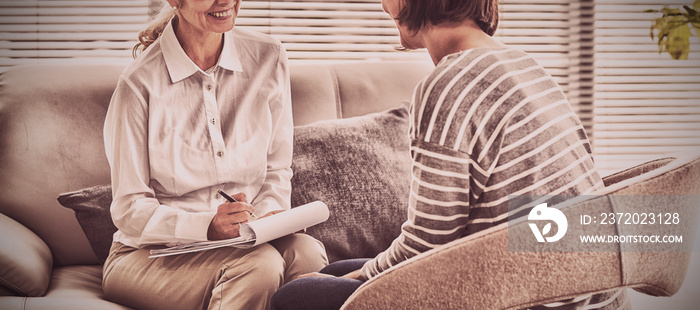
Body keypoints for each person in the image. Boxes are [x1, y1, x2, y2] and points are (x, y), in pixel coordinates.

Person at [270, 0, 629, 309]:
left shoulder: (447, 86)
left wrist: (363, 277)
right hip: (589, 291)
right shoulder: (525, 64)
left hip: (525, 296)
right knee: (331, 273)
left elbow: (427, 246)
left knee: (297, 296)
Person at [101, 0, 328, 309]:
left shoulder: (269, 57)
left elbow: (277, 167)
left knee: (307, 253)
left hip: (245, 239)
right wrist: (207, 226)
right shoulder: (138, 83)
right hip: (147, 255)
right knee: (259, 267)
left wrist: (268, 218)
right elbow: (129, 210)